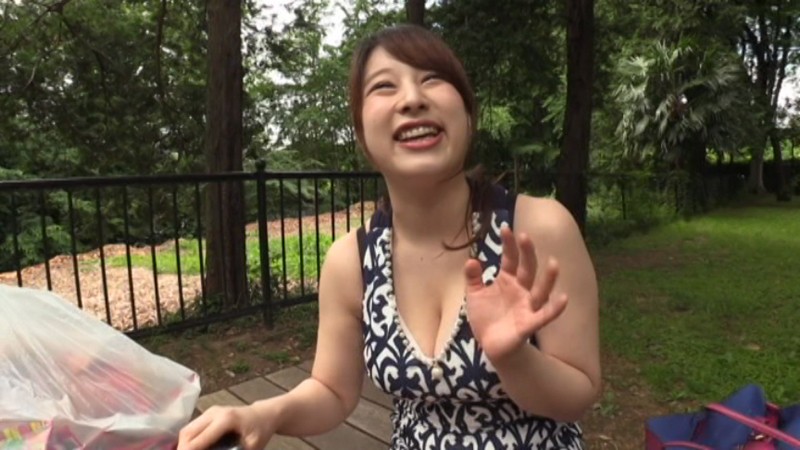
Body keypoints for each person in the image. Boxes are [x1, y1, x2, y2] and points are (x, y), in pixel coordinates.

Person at [178, 24, 601, 450]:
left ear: (467, 114)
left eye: (432, 79)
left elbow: (579, 395)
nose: (412, 99)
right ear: (361, 133)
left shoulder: (536, 230)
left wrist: (514, 358)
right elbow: (332, 390)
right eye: (384, 86)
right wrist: (264, 413)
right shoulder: (351, 260)